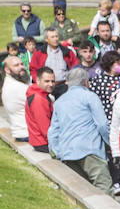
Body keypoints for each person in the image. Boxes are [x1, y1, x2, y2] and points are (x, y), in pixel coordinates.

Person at [47, 64, 113, 192]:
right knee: (104, 188)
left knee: (82, 191)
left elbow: (53, 131)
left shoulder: (60, 101)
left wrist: (56, 152)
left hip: (68, 153)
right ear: (86, 82)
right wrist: (110, 144)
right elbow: (102, 124)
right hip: (90, 150)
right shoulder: (90, 96)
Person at [24, 67, 55, 152]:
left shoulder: (41, 94)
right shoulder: (38, 99)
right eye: (47, 81)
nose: (51, 84)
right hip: (43, 143)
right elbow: (45, 128)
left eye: (53, 81)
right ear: (38, 80)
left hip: (41, 141)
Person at [3, 54, 30, 140]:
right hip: (26, 133)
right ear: (7, 70)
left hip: (21, 132)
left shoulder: (12, 82)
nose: (21, 67)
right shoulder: (16, 87)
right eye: (16, 65)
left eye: (22, 64)